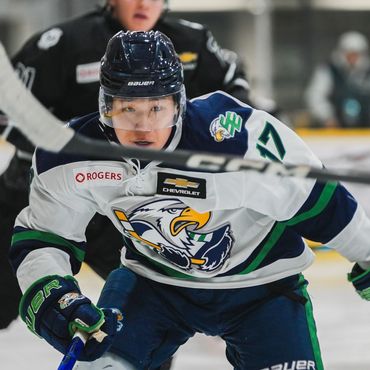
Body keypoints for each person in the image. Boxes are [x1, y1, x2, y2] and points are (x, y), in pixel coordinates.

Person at [10, 30, 370, 370]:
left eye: (156, 109)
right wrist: (53, 295)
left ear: (178, 104)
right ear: (107, 107)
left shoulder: (238, 137)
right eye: (128, 109)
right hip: (153, 284)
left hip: (262, 290)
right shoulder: (69, 156)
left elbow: (321, 202)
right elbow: (44, 236)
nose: (143, 126)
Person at [0, 0, 250, 331]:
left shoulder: (192, 41)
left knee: (146, 322)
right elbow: (10, 110)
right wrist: (45, 147)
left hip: (124, 202)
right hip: (43, 192)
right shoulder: (63, 42)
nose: (144, 3)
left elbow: (234, 96)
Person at [305, 30, 370, 128]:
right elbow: (315, 96)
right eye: (349, 55)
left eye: (356, 55)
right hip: (336, 130)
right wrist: (327, 117)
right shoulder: (328, 70)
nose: (353, 59)